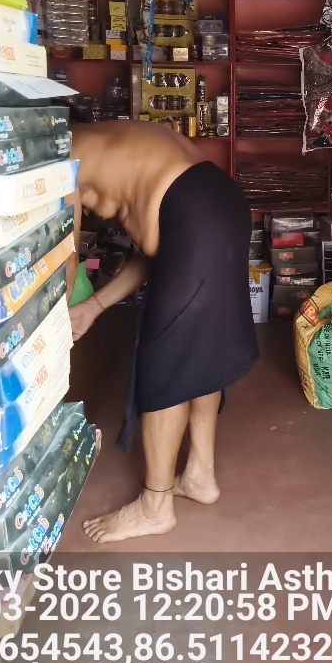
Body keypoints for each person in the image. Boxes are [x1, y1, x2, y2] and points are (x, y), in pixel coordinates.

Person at [64, 121, 258, 543]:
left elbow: (66, 249)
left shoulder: (62, 155)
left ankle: (155, 508)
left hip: (193, 217)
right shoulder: (122, 142)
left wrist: (55, 309)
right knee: (199, 347)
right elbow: (158, 253)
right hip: (219, 204)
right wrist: (94, 306)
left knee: (163, 366)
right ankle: (200, 475)